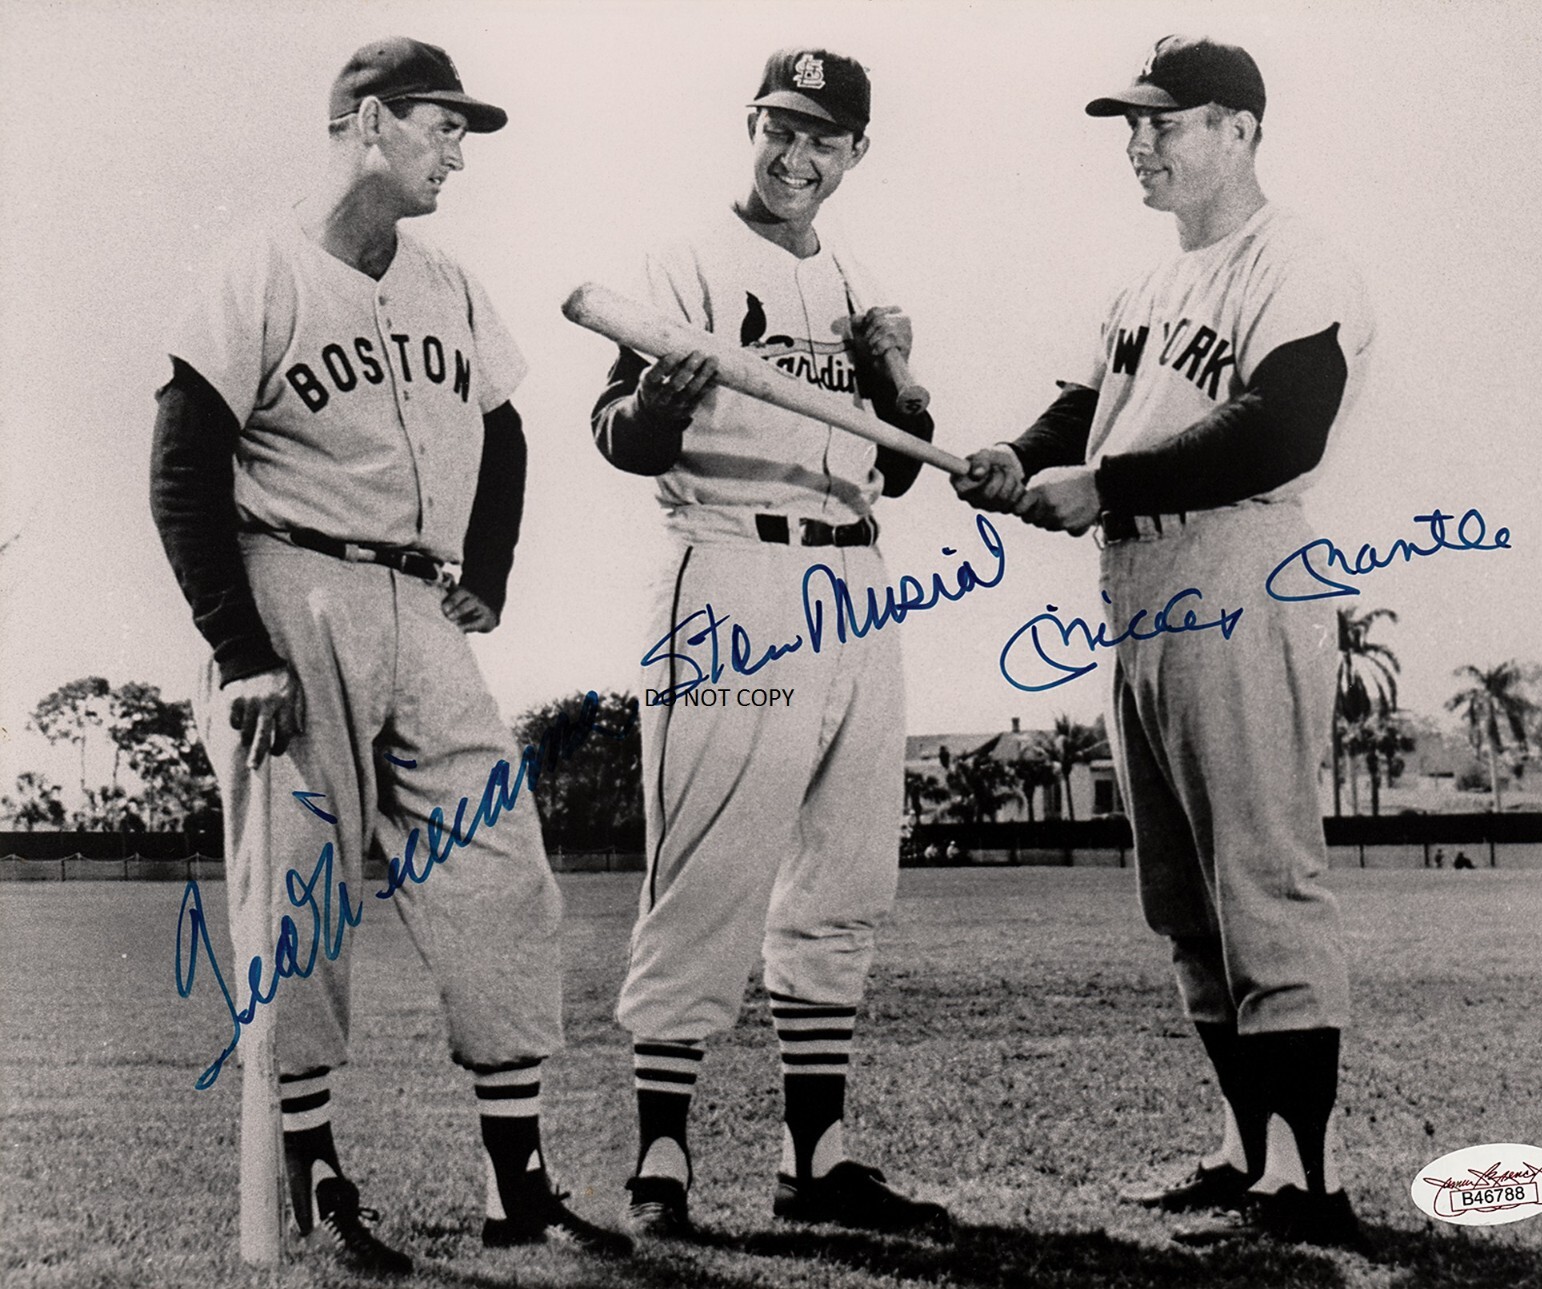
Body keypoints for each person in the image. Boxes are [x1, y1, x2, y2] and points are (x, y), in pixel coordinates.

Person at [150, 37, 629, 1272]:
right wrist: (240, 648)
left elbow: (506, 429)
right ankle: (311, 1164)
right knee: (301, 891)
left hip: (418, 602)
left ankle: (513, 1176)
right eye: (442, 125)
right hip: (289, 586)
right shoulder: (255, 267)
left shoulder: (450, 283)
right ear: (368, 122)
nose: (457, 150)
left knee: (501, 871)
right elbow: (182, 467)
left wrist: (491, 573)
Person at [955, 35, 1373, 1250]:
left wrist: (1105, 482)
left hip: (1241, 560)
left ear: (1238, 130)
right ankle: (1252, 1152)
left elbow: (1279, 427)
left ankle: (1303, 1174)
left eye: (1165, 122)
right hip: (1137, 579)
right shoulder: (1145, 289)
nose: (1138, 144)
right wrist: (1016, 454)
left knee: (1261, 877)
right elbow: (1088, 409)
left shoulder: (1298, 260)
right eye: (1130, 125)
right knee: (1181, 896)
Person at [590, 48, 948, 1241]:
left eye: (823, 138)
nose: (797, 156)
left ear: (856, 152)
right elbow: (621, 437)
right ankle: (660, 1154)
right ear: (749, 124)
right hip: (730, 562)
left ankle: (817, 1153)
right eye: (779, 129)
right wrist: (662, 397)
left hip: (853, 572)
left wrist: (895, 368)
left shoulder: (855, 281)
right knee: (706, 868)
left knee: (844, 876)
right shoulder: (684, 259)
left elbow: (899, 462)